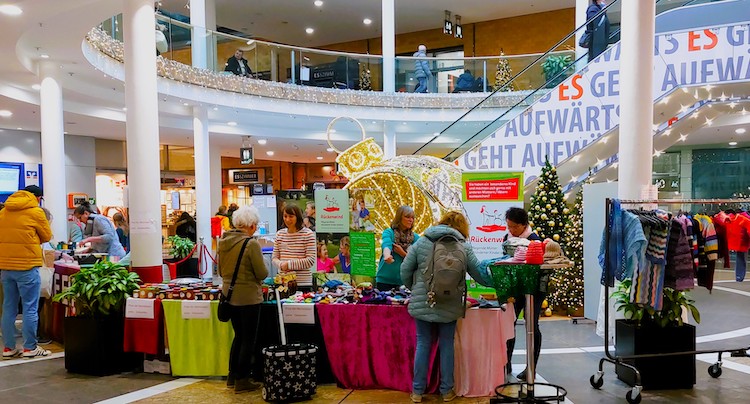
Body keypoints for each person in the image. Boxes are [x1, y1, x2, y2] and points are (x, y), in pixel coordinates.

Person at [401, 211, 492, 403]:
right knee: (446, 345)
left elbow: (405, 270)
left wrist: (415, 288)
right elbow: (479, 274)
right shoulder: (463, 246)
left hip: (424, 301)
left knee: (423, 343)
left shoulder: (422, 242)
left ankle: (417, 391)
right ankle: (447, 391)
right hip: (450, 303)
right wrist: (500, 282)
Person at [217, 205, 268, 393]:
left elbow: (221, 271)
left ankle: (232, 376)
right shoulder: (251, 244)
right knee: (248, 339)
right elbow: (262, 273)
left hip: (229, 297)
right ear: (252, 225)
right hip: (249, 298)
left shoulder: (223, 242)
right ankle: (243, 379)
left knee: (238, 337)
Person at [0, 185, 52, 358]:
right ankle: (30, 347)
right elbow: (46, 236)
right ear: (37, 197)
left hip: (6, 267)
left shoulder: (4, 212)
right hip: (27, 266)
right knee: (30, 308)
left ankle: (8, 348)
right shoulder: (36, 212)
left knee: (8, 307)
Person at [503, 207, 542, 381]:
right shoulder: (507, 239)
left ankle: (531, 367)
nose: (511, 230)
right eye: (509, 226)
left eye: (514, 227)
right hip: (514, 289)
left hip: (533, 290)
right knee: (508, 324)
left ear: (523, 225)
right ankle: (506, 362)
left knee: (532, 325)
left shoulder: (534, 240)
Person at [272, 204, 316, 290]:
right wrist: (280, 264)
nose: (287, 219)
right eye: (285, 216)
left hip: (303, 284)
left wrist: (288, 265)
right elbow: (274, 258)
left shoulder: (308, 234)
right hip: (283, 284)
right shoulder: (279, 234)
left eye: (291, 216)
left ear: (298, 217)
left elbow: (310, 260)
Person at [376, 206, 419, 291]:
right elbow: (386, 244)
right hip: (385, 280)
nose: (411, 220)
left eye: (412, 218)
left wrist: (402, 253)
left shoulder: (416, 238)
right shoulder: (389, 232)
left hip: (405, 282)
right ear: (399, 218)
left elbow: (416, 260)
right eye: (407, 217)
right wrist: (387, 256)